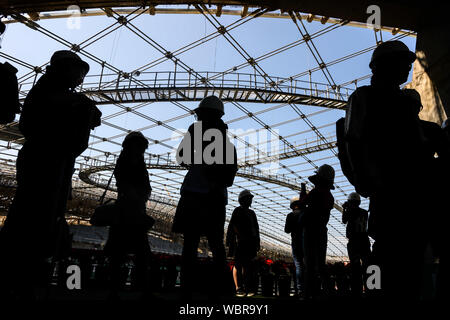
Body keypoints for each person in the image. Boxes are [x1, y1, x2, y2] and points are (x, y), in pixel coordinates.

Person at [0, 50, 101, 299]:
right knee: (33, 215)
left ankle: (22, 276)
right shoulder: (47, 90)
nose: (80, 78)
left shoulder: (66, 96)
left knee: (43, 215)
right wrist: (81, 107)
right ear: (62, 68)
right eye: (78, 71)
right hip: (43, 160)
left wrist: (83, 108)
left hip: (57, 162)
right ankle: (16, 277)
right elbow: (36, 120)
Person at [344, 40, 428, 299]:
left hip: (409, 190)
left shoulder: (404, 102)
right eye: (403, 62)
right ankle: (376, 293)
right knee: (387, 251)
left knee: (405, 252)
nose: (407, 68)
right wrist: (364, 179)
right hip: (388, 189)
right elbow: (353, 142)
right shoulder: (365, 97)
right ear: (383, 66)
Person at [173, 95, 238, 297]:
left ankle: (187, 287)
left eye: (200, 114)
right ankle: (225, 290)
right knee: (215, 243)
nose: (198, 118)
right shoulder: (228, 145)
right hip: (214, 198)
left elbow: (181, 157)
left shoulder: (196, 131)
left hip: (196, 194)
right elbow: (229, 178)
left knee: (192, 242)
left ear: (208, 114)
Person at [104, 131, 154, 298]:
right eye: (139, 146)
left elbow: (144, 187)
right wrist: (138, 196)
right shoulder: (129, 162)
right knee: (135, 252)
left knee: (122, 252)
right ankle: (138, 289)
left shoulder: (134, 161)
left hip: (129, 212)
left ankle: (117, 289)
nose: (141, 150)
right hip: (129, 212)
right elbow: (128, 185)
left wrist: (141, 195)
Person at [298, 164, 335, 299]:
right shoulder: (330, 197)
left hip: (310, 231)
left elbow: (302, 204)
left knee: (309, 265)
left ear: (319, 179)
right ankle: (329, 292)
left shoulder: (315, 192)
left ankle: (308, 293)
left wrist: (303, 193)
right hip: (321, 231)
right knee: (321, 265)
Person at [226, 189, 260, 297]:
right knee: (238, 264)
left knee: (246, 265)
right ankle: (238, 287)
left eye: (250, 198)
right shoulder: (238, 211)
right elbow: (234, 226)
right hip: (240, 242)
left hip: (249, 243)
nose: (250, 200)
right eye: (249, 198)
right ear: (243, 200)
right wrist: (238, 238)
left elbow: (256, 229)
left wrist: (257, 241)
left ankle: (246, 287)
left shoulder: (251, 213)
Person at [342, 192, 371, 296]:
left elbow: (344, 220)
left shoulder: (349, 211)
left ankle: (356, 291)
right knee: (368, 266)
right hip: (364, 241)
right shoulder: (364, 212)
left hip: (354, 242)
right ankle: (371, 289)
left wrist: (345, 209)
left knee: (355, 267)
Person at [284, 183, 307, 298]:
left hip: (296, 243)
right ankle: (308, 288)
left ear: (292, 205)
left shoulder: (290, 215)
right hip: (306, 242)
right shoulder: (306, 214)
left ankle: (300, 289)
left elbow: (287, 230)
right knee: (307, 265)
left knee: (298, 266)